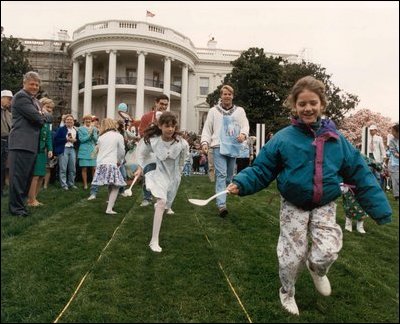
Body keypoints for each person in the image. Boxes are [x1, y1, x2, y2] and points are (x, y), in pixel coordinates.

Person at [226, 76, 392, 316]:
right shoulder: (283, 138)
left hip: (324, 204)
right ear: (294, 105)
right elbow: (262, 169)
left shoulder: (338, 141)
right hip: (294, 204)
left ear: (322, 104)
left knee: (328, 249)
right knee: (292, 255)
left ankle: (317, 269)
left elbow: (360, 174)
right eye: (302, 103)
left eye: (313, 102)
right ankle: (287, 291)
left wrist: (380, 210)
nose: (307, 108)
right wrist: (241, 183)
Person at [135, 112, 189, 252]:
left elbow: (184, 158)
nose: (170, 129)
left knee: (165, 206)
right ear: (160, 126)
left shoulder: (181, 143)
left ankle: (160, 209)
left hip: (174, 177)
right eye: (167, 126)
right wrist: (141, 167)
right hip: (159, 175)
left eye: (172, 126)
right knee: (162, 202)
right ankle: (154, 240)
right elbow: (141, 153)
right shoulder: (154, 141)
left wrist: (180, 172)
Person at [8, 72, 52, 216]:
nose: (34, 87)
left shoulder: (34, 100)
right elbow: (38, 119)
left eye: (37, 84)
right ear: (24, 84)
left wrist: (42, 114)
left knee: (25, 178)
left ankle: (21, 206)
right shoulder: (21, 97)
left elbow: (49, 117)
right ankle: (16, 209)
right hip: (21, 143)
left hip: (30, 144)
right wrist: (41, 114)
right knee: (18, 178)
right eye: (31, 84)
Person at [200, 85, 249, 217]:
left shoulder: (239, 111)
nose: (227, 96)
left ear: (232, 96)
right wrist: (205, 142)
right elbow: (207, 128)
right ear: (220, 96)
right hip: (217, 146)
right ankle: (221, 205)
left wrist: (243, 134)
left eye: (229, 94)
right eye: (224, 94)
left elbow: (245, 125)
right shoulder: (213, 111)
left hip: (232, 146)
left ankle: (223, 195)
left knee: (229, 177)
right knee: (221, 175)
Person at [138, 94, 169, 207]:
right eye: (161, 104)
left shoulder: (169, 117)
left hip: (164, 151)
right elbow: (141, 132)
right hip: (149, 150)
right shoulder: (147, 117)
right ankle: (147, 198)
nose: (164, 107)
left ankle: (164, 200)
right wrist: (151, 133)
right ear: (155, 103)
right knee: (148, 174)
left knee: (165, 177)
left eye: (166, 104)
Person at [91, 118, 126, 214]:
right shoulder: (118, 136)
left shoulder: (101, 137)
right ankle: (109, 208)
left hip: (101, 163)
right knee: (116, 186)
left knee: (111, 184)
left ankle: (110, 203)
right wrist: (120, 161)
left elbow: (96, 151)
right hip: (111, 162)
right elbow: (122, 151)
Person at [27, 98, 54, 206]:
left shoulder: (47, 122)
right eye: (48, 107)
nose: (50, 110)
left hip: (43, 151)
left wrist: (50, 149)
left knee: (42, 175)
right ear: (41, 106)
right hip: (35, 150)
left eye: (51, 108)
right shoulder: (36, 119)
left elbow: (48, 137)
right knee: (35, 175)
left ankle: (35, 198)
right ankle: (30, 199)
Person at [54, 114, 79, 190]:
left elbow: (78, 141)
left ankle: (71, 183)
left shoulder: (75, 130)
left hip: (72, 149)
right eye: (67, 120)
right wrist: (66, 140)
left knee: (72, 168)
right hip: (64, 149)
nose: (69, 121)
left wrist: (75, 141)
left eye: (71, 120)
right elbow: (56, 140)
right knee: (63, 168)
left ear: (73, 121)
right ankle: (64, 185)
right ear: (65, 121)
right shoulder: (61, 129)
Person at [77, 114, 99, 189]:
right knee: (84, 168)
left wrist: (93, 135)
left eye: (89, 119)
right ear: (84, 120)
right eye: (86, 119)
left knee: (94, 168)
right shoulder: (80, 129)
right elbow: (81, 140)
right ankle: (85, 184)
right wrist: (89, 135)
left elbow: (96, 140)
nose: (88, 120)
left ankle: (94, 183)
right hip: (84, 150)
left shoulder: (95, 129)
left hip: (92, 150)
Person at [1, 90, 13, 197]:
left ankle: (1, 189)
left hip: (6, 141)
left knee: (3, 166)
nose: (10, 102)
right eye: (9, 99)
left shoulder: (8, 113)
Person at [388, 123, 399, 200]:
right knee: (396, 179)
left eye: (393, 131)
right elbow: (393, 152)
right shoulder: (392, 141)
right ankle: (397, 195)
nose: (392, 132)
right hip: (394, 163)